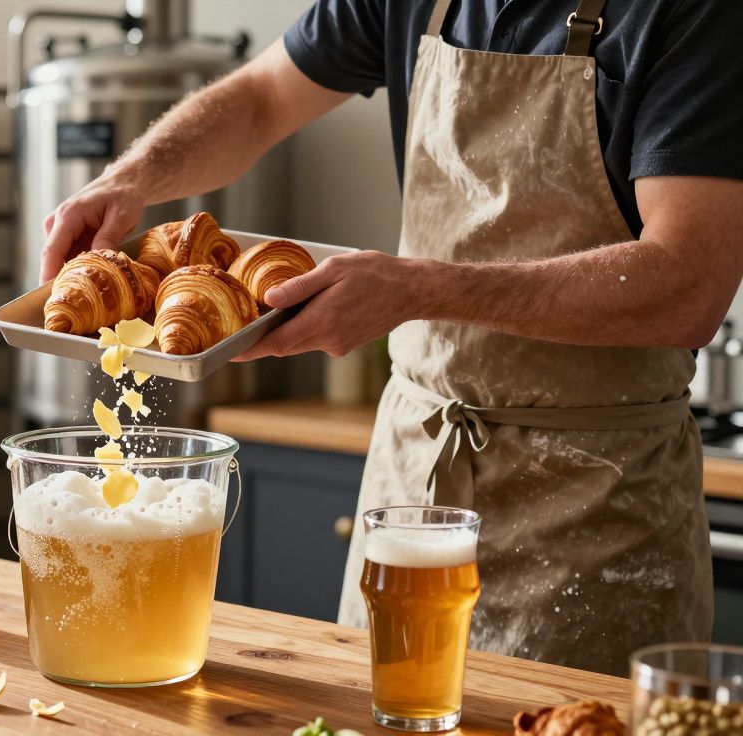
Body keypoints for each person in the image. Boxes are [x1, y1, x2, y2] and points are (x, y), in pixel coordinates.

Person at [38, 0, 743, 675]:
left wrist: (419, 291)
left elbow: (688, 283)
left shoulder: (694, 12)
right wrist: (130, 178)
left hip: (600, 506)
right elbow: (258, 99)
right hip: (416, 472)